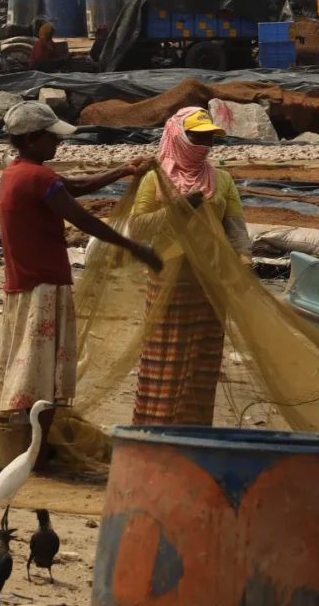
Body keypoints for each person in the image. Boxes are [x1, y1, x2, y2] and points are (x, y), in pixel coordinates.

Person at [0, 101, 162, 466]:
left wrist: (122, 171)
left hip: (21, 284)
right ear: (34, 139)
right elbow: (81, 218)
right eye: (53, 138)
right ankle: (35, 454)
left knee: (27, 370)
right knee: (46, 376)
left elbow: (74, 186)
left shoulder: (18, 172)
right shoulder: (39, 178)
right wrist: (134, 247)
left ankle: (28, 447)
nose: (59, 145)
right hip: (45, 287)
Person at [128, 106, 252, 426]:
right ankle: (156, 428)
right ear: (178, 137)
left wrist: (244, 262)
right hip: (170, 284)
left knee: (201, 361)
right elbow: (139, 227)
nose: (204, 145)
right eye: (197, 137)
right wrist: (179, 208)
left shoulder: (221, 180)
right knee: (166, 359)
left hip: (211, 285)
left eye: (209, 139)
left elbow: (235, 229)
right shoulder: (154, 181)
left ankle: (193, 429)